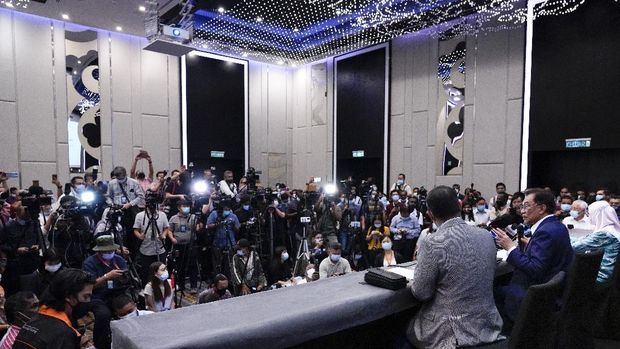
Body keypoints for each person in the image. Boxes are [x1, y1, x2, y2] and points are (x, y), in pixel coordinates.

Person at [407, 186, 502, 348]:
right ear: (459, 205)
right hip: (488, 325)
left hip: (451, 334)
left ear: (430, 213)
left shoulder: (433, 242)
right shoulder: (486, 236)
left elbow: (421, 293)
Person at [494, 188, 574, 323]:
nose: (522, 211)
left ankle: (505, 334)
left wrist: (510, 248)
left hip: (537, 293)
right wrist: (531, 245)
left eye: (526, 206)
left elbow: (535, 269)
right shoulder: (555, 225)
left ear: (542, 208)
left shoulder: (545, 232)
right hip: (553, 287)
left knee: (489, 290)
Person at [13, 268, 95, 349]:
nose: (89, 301)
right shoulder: (64, 334)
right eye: (86, 296)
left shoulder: (34, 320)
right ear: (69, 296)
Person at [82, 235, 129, 349]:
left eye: (111, 250)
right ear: (99, 251)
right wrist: (106, 277)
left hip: (116, 292)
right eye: (106, 251)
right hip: (97, 295)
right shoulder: (89, 263)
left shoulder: (118, 260)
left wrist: (123, 278)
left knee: (128, 308)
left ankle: (127, 338)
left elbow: (126, 280)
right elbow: (89, 287)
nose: (109, 252)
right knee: (103, 315)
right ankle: (101, 344)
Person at [571, 201, 620, 283]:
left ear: (598, 215)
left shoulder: (605, 234)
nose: (588, 216)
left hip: (600, 276)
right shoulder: (611, 229)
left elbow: (575, 247)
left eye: (590, 214)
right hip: (602, 272)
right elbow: (582, 240)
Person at [133, 203, 174, 285]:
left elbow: (166, 227)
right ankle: (147, 291)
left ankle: (162, 288)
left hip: (160, 248)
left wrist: (164, 235)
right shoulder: (140, 215)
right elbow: (135, 230)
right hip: (146, 249)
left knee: (162, 271)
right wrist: (140, 236)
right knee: (146, 273)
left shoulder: (162, 215)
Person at [168, 200, 200, 294]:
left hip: (191, 244)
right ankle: (180, 285)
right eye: (183, 206)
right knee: (179, 265)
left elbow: (197, 228)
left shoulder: (193, 217)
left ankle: (193, 286)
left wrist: (198, 226)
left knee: (192, 265)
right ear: (178, 207)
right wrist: (172, 238)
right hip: (178, 245)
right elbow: (169, 230)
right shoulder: (173, 218)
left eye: (187, 206)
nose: (186, 208)